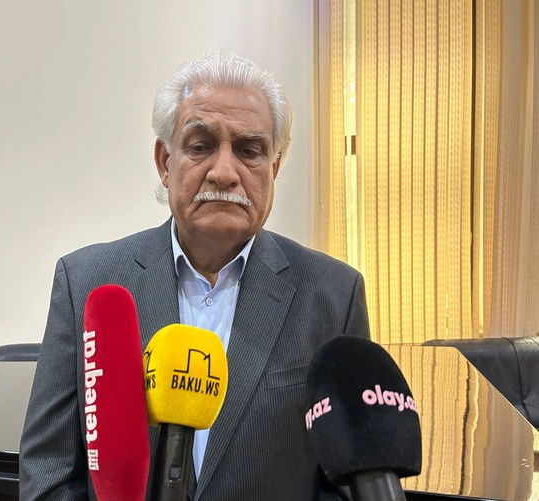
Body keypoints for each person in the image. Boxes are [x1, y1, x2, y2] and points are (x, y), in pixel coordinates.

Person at [19, 51, 369, 501]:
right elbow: (48, 474)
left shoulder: (334, 295)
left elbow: (345, 484)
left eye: (249, 150)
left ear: (274, 168)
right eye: (201, 146)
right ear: (165, 162)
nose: (224, 173)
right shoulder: (86, 283)